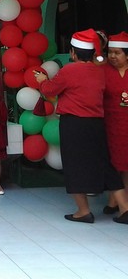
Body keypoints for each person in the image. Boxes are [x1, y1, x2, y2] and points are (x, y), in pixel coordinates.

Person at [35, 28, 128, 224]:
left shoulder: (69, 70)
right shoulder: (99, 71)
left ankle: (83, 211)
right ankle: (125, 208)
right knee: (107, 165)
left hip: (74, 124)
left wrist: (42, 81)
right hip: (97, 124)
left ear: (73, 53)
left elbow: (50, 90)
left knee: (74, 166)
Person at [102, 32, 128, 214]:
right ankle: (114, 200)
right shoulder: (103, 70)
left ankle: (121, 202)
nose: (112, 56)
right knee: (113, 163)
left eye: (117, 53)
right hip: (109, 124)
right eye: (110, 52)